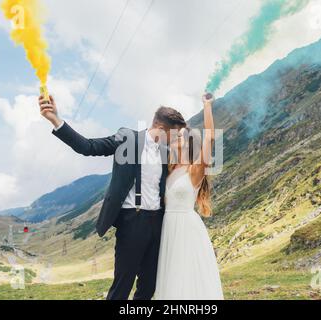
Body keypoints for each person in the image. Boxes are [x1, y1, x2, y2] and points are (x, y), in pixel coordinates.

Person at [38, 95, 186, 300]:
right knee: (122, 285)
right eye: (175, 135)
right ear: (161, 128)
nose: (176, 140)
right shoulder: (127, 139)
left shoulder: (167, 152)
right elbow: (87, 147)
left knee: (148, 286)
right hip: (132, 220)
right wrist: (56, 120)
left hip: (157, 222)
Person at [154, 93, 224, 300]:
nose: (176, 138)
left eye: (181, 137)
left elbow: (210, 137)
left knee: (187, 278)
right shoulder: (168, 170)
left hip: (186, 227)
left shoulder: (195, 170)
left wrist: (207, 105)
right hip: (167, 227)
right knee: (171, 279)